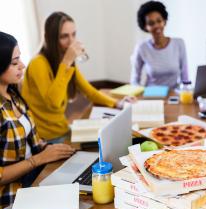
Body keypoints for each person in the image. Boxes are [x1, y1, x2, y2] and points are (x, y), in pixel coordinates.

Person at [21, 12, 134, 143]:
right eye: (64, 36)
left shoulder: (63, 60)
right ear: (51, 39)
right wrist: (67, 62)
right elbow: (53, 104)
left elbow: (89, 91)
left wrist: (118, 103)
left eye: (73, 34)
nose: (71, 42)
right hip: (45, 137)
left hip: (61, 128)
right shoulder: (38, 63)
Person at [0, 31, 75, 209]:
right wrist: (39, 159)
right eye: (15, 62)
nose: (22, 65)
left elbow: (32, 142)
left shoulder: (13, 95)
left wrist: (53, 150)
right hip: (10, 197)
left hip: (32, 178)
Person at [130, 1, 189, 89]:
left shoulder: (179, 43)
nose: (156, 26)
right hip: (151, 95)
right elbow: (135, 80)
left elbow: (185, 77)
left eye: (159, 21)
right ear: (145, 27)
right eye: (151, 23)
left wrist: (185, 95)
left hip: (174, 95)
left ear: (164, 21)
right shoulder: (142, 48)